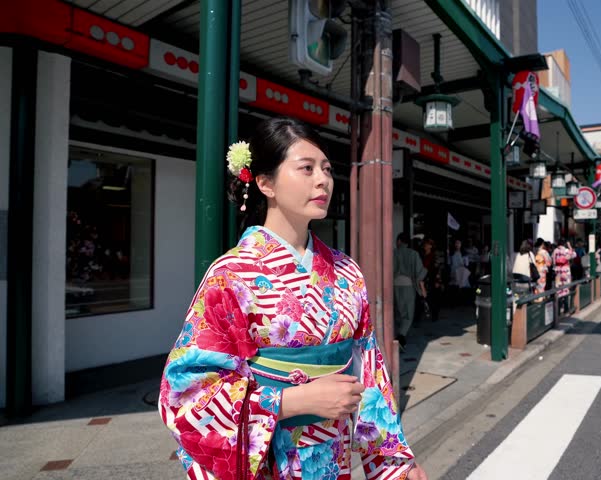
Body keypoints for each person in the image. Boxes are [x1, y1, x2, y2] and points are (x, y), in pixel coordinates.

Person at [158, 118, 426, 480]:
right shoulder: (232, 275)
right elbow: (184, 394)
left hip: (333, 456)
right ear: (265, 182)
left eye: (327, 169)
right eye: (306, 168)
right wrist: (287, 402)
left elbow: (369, 373)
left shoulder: (347, 272)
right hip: (269, 459)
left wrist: (393, 463)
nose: (323, 180)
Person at [394, 233, 427, 349]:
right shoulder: (413, 254)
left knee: (399, 310)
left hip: (394, 285)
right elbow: (419, 274)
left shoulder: (393, 253)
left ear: (399, 241)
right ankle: (401, 338)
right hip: (408, 285)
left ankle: (399, 336)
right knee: (408, 313)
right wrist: (422, 289)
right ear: (407, 243)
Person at [552, 240, 575, 310]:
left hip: (558, 271)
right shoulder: (566, 250)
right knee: (566, 287)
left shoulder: (555, 251)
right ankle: (566, 306)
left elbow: (553, 260)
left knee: (558, 287)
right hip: (566, 271)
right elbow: (574, 254)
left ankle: (558, 307)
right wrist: (569, 246)